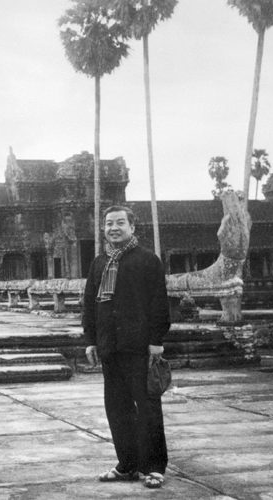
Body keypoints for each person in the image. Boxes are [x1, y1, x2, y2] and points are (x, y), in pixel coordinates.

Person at [83, 205, 170, 489]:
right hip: (110, 346)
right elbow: (90, 304)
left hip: (139, 347)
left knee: (147, 407)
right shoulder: (99, 262)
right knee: (117, 408)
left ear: (132, 227)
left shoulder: (147, 260)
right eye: (109, 224)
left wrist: (156, 342)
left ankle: (154, 467)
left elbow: (159, 303)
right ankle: (128, 464)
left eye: (120, 223)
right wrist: (91, 340)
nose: (113, 228)